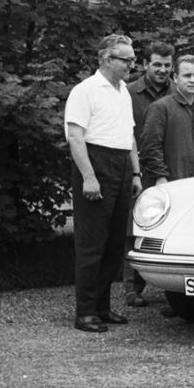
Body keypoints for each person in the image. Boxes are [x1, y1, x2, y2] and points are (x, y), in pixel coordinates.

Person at [64, 33, 143, 333]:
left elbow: (129, 135)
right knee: (92, 244)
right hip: (96, 163)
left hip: (121, 164)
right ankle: (85, 312)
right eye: (127, 60)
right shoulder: (85, 91)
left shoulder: (123, 91)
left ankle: (102, 307)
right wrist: (88, 177)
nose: (131, 65)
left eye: (133, 59)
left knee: (113, 244)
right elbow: (75, 136)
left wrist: (135, 173)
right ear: (107, 59)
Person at [123, 40, 174, 308]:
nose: (162, 70)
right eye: (157, 64)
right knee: (136, 227)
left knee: (170, 227)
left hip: (169, 168)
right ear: (145, 65)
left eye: (167, 65)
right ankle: (133, 287)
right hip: (140, 168)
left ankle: (172, 290)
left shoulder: (178, 92)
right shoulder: (129, 92)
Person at [138, 54, 194, 185]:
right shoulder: (161, 108)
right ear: (175, 78)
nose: (192, 80)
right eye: (187, 75)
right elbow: (150, 148)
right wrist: (160, 178)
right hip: (168, 187)